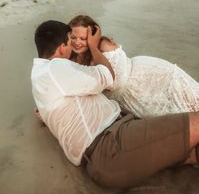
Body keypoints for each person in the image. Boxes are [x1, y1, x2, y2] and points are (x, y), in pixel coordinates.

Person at [31, 19, 199, 189]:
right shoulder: (56, 67)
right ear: (62, 47)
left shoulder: (40, 77)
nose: (74, 45)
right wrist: (94, 47)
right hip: (112, 145)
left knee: (191, 152)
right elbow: (106, 75)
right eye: (70, 40)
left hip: (109, 155)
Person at [68, 15, 199, 118]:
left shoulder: (103, 45)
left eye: (83, 38)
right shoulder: (74, 56)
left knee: (190, 101)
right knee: (178, 120)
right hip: (131, 97)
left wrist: (92, 46)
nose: (77, 42)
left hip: (149, 78)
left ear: (92, 37)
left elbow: (113, 81)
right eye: (74, 37)